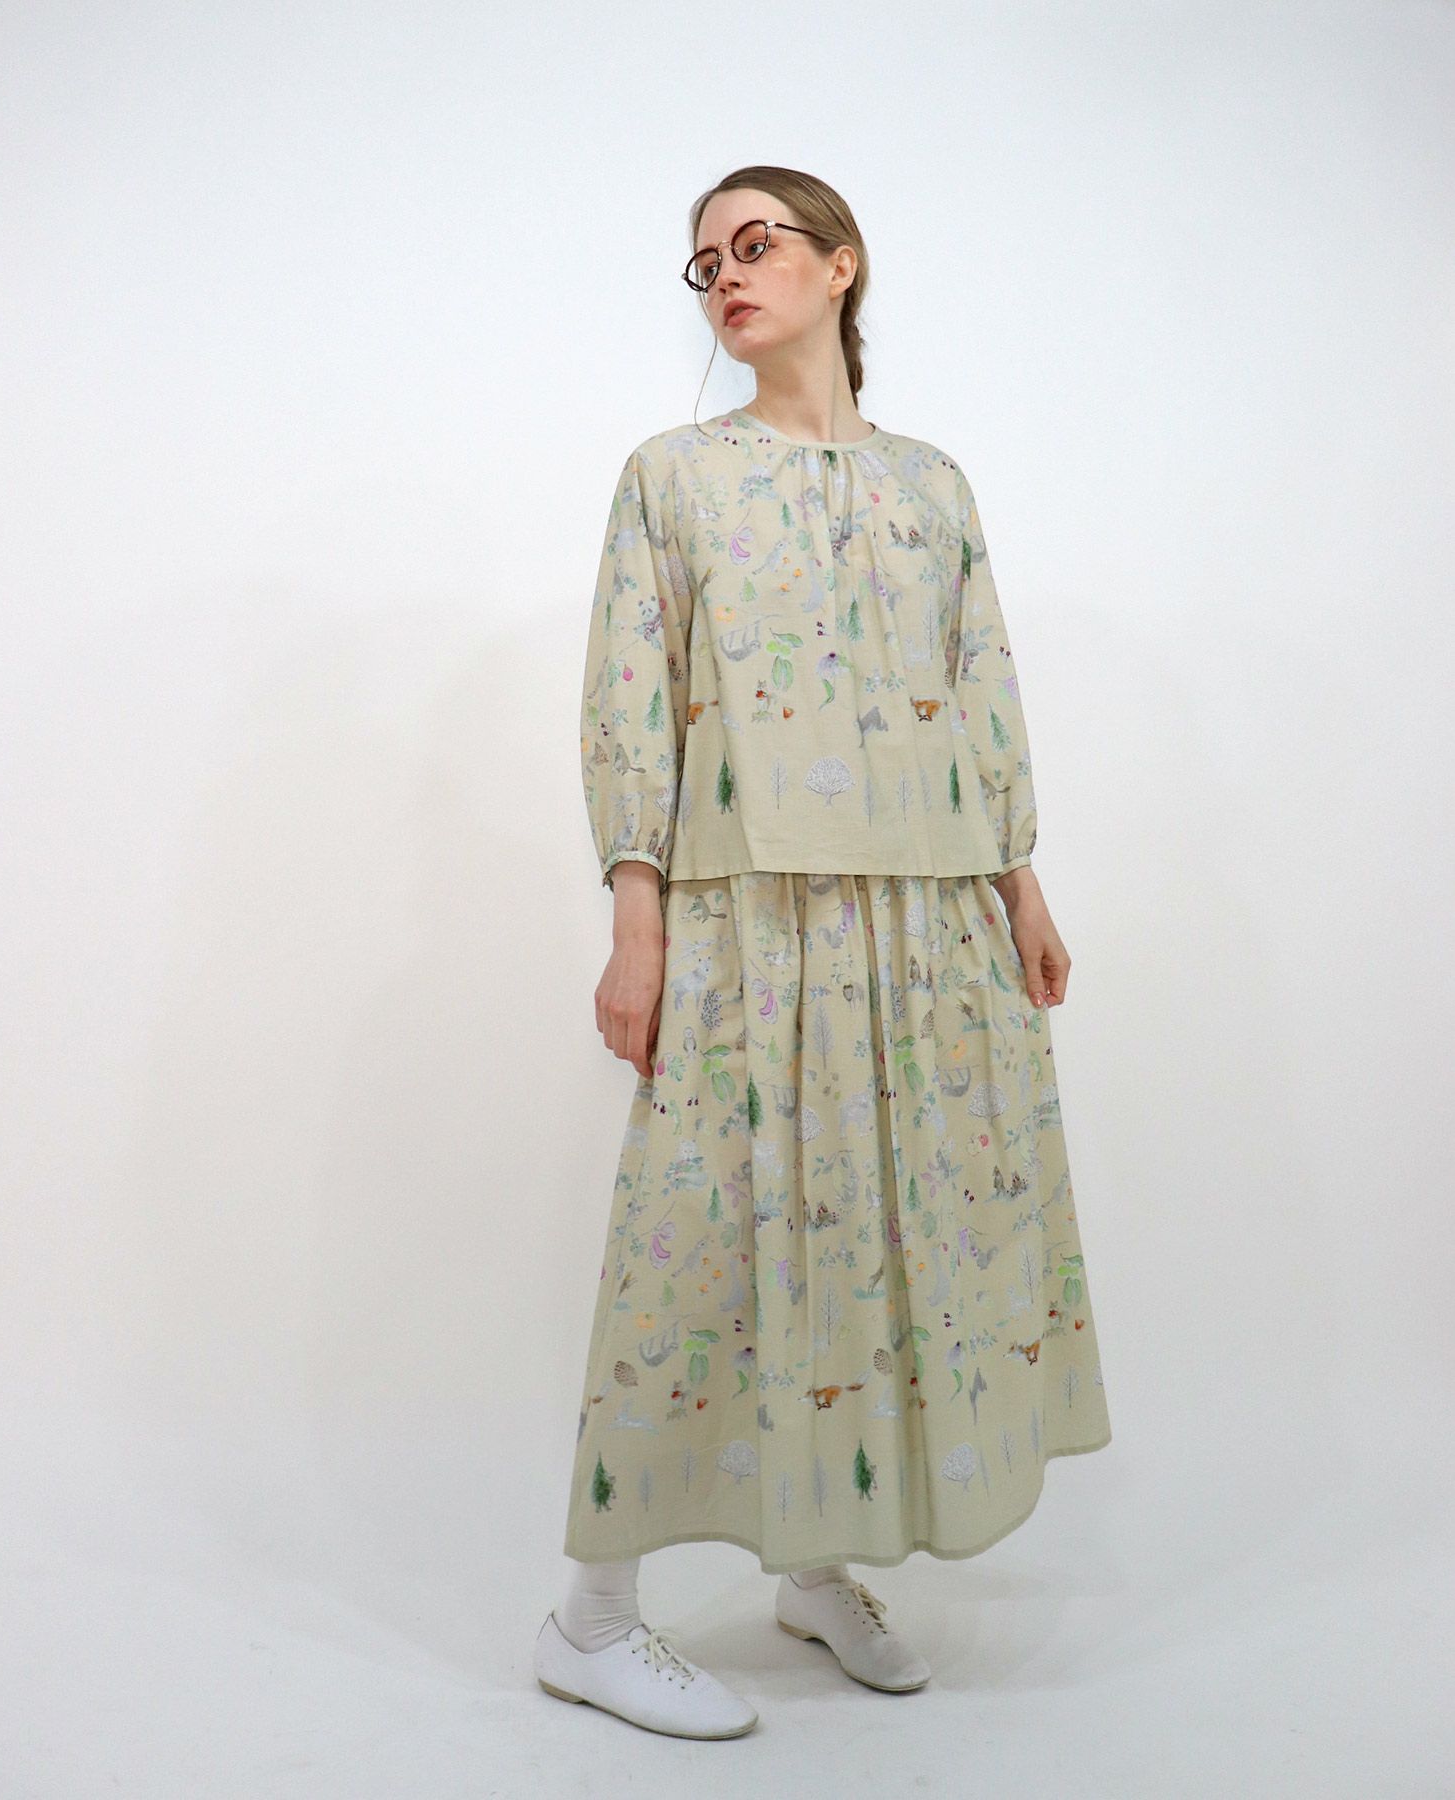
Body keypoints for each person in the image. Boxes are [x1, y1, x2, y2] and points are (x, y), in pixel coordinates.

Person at [533, 164, 1112, 1738]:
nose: (726, 276)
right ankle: (590, 1619)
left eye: (757, 245)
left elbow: (981, 683)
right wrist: (637, 919)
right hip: (748, 911)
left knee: (874, 1225)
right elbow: (630, 696)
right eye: (704, 262)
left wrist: (1021, 884)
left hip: (930, 909)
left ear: (840, 266)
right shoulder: (674, 476)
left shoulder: (933, 484)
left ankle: (813, 1560)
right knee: (698, 1239)